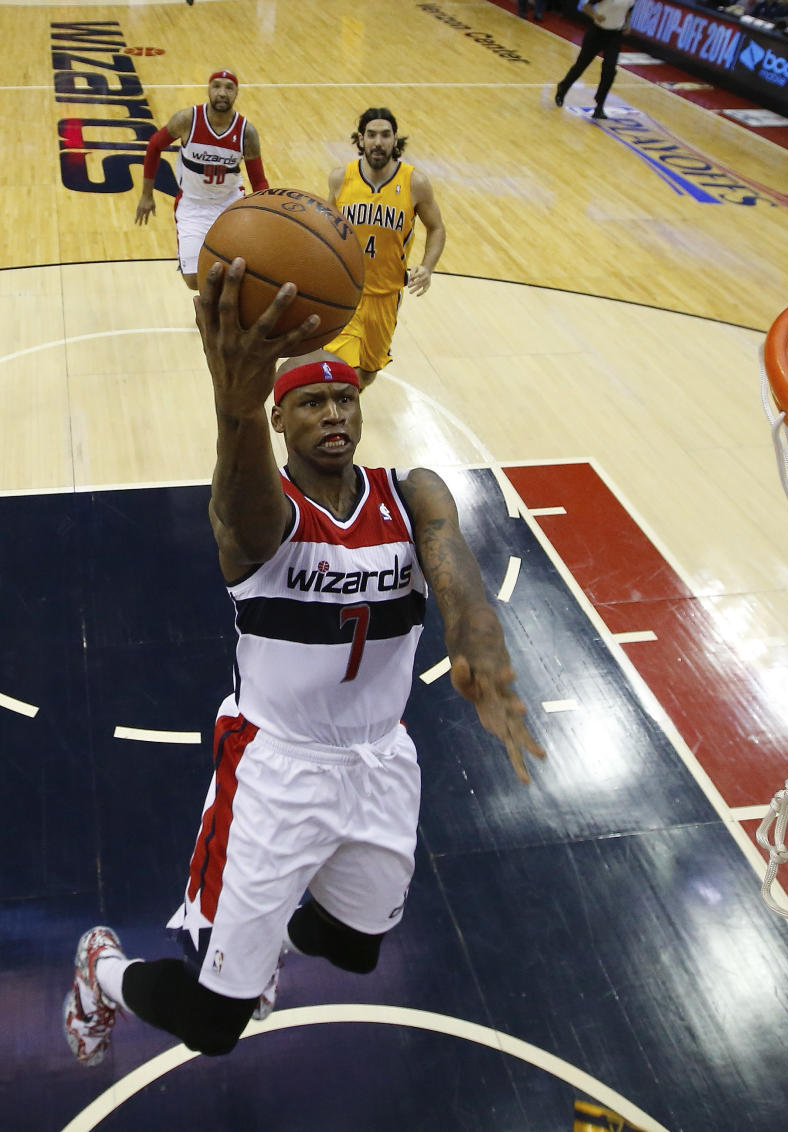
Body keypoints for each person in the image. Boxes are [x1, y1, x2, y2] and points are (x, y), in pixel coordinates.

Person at [62, 258, 545, 1068]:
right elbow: (242, 494)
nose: (333, 414)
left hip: (380, 757)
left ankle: (263, 934)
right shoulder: (261, 519)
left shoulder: (412, 492)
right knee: (220, 1024)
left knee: (356, 948)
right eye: (311, 403)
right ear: (282, 424)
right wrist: (235, 402)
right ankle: (101, 971)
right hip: (275, 770)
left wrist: (481, 652)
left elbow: (454, 569)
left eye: (344, 399)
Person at [322, 108, 446, 391]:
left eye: (385, 135)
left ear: (395, 140)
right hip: (346, 292)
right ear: (361, 140)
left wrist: (427, 266)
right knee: (342, 375)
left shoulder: (415, 182)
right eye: (372, 135)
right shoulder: (341, 179)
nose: (378, 142)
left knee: (367, 372)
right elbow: (325, 229)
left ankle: (352, 398)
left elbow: (436, 228)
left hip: (386, 294)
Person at [135, 70, 268, 291]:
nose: (222, 93)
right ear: (208, 89)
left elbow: (259, 182)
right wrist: (146, 194)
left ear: (236, 93)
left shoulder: (247, 132)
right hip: (193, 205)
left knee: (239, 272)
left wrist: (265, 215)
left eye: (229, 87)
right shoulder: (187, 120)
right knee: (193, 280)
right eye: (216, 86)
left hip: (230, 205)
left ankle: (222, 315)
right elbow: (154, 146)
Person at [554, 1, 637, 119]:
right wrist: (595, 16)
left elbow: (629, 11)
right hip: (597, 33)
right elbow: (586, 6)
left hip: (614, 35)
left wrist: (627, 24)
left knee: (610, 70)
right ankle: (563, 87)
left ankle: (599, 106)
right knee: (581, 65)